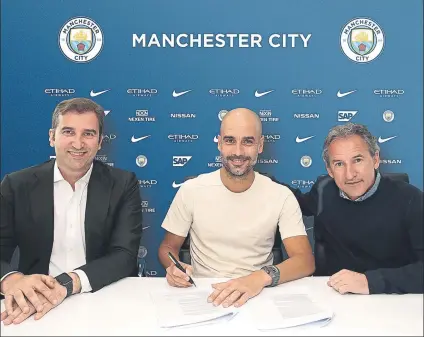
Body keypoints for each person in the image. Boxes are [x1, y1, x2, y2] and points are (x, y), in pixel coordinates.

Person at [0, 98, 143, 325]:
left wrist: (68, 283)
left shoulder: (123, 184)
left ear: (100, 142)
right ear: (51, 137)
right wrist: (11, 280)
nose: (78, 143)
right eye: (68, 132)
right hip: (35, 301)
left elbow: (124, 255)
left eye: (88, 134)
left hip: (102, 296)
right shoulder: (17, 185)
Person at [158, 108, 315, 308]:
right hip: (203, 293)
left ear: (260, 145)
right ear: (220, 143)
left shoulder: (281, 195)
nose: (238, 152)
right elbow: (168, 247)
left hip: (259, 294)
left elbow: (305, 261)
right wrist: (173, 267)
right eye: (230, 140)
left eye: (248, 141)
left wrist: (259, 278)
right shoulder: (191, 190)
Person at [283, 123, 423, 295]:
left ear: (376, 159)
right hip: (334, 298)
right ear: (330, 170)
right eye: (339, 164)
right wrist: (251, 177)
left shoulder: (411, 200)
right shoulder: (323, 192)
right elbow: (289, 197)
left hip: (389, 301)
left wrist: (370, 282)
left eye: (357, 160)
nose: (350, 174)